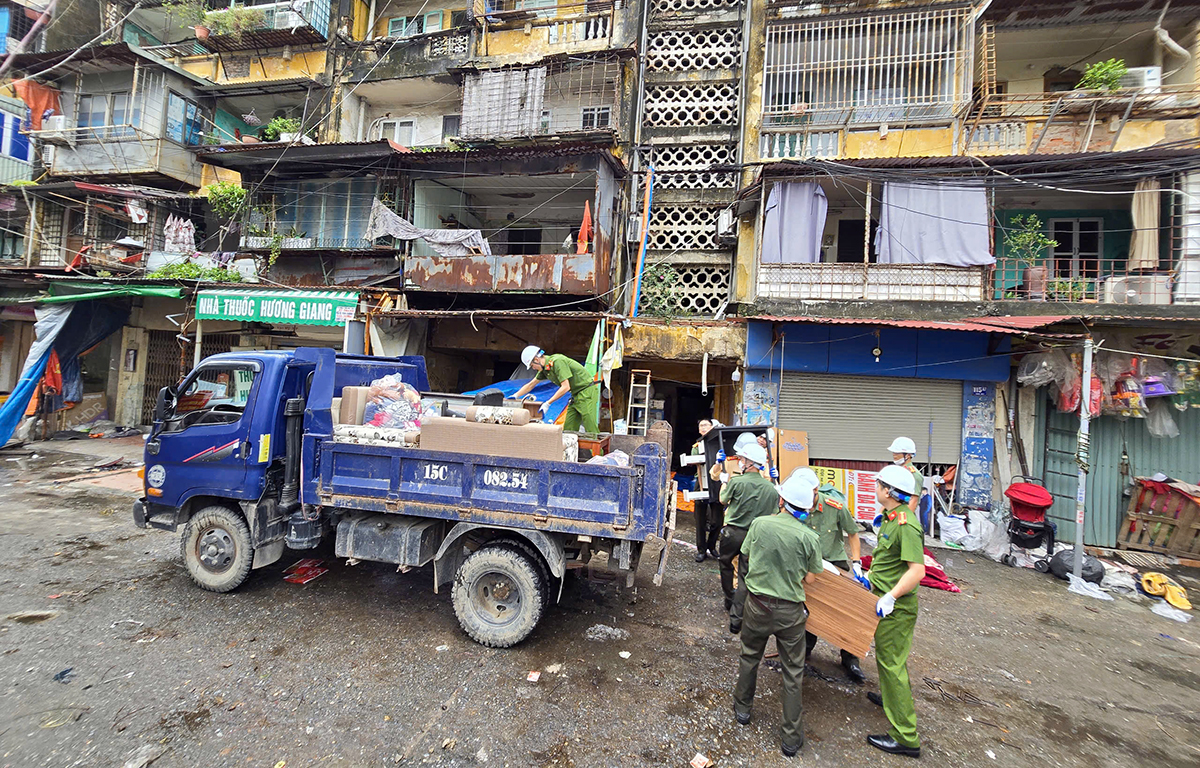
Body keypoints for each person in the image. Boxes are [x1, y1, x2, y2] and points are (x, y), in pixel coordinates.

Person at [732, 470, 824, 757]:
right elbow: (810, 580)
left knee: (750, 656)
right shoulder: (810, 537)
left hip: (757, 606)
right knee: (793, 672)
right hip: (790, 613)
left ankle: (743, 710)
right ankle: (790, 739)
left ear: (781, 501)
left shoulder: (760, 525)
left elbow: (745, 556)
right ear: (807, 507)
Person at [861, 464, 926, 758]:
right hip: (883, 599)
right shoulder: (890, 518)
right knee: (886, 661)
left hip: (895, 607)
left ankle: (906, 736)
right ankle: (890, 699)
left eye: (878, 485)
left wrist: (890, 595)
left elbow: (918, 571)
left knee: (892, 665)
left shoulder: (906, 524)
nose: (876, 488)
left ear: (888, 492)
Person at [798, 468, 867, 684]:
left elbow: (853, 533)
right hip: (808, 563)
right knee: (807, 608)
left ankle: (850, 657)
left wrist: (856, 563)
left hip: (834, 562)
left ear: (816, 490)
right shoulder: (796, 504)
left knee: (846, 610)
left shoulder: (834, 507)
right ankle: (804, 649)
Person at [710, 440, 778, 633]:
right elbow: (774, 512)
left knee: (725, 563)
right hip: (756, 536)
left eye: (741, 458)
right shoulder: (770, 488)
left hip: (733, 533)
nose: (739, 461)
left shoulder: (737, 481)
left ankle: (729, 599)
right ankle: (737, 618)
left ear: (749, 462)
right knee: (745, 575)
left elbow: (723, 499)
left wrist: (724, 483)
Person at [514, 345, 599, 434]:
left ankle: (598, 448)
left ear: (536, 360)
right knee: (569, 429)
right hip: (575, 395)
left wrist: (548, 403)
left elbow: (566, 387)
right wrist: (515, 395)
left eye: (532, 365)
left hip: (586, 391)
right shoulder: (545, 370)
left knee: (590, 428)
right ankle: (569, 447)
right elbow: (531, 384)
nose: (533, 368)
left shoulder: (558, 361)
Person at [691, 418, 722, 562]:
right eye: (701, 425)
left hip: (717, 482)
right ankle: (701, 550)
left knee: (718, 519)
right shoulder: (696, 445)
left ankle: (712, 545)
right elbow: (692, 461)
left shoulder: (720, 442)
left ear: (712, 427)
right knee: (700, 519)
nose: (703, 427)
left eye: (706, 425)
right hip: (701, 481)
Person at [888, 437, 924, 508]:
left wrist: (903, 518)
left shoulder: (913, 474)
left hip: (903, 514)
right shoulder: (897, 471)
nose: (894, 454)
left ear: (908, 455)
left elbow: (913, 501)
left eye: (897, 452)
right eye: (893, 452)